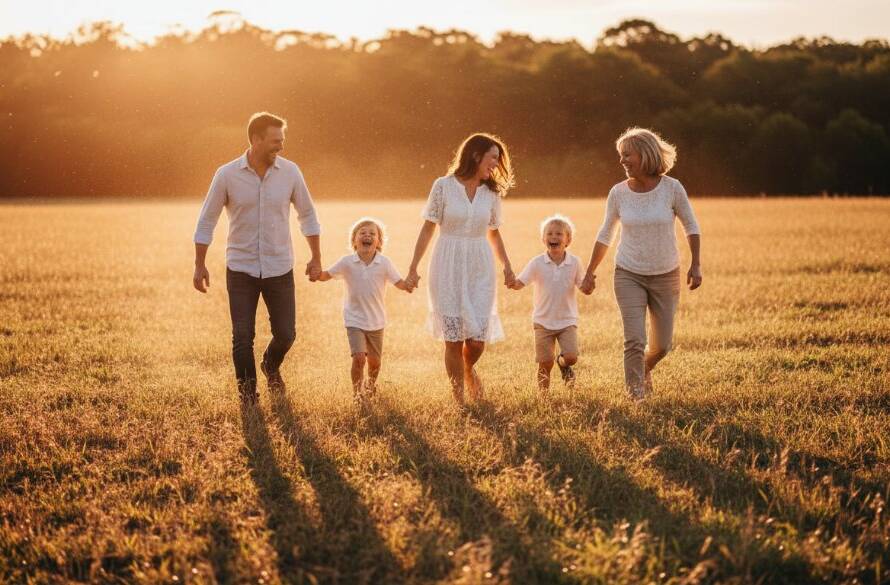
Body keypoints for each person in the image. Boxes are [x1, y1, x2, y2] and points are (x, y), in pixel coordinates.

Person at [192, 112, 322, 404]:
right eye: (276, 141)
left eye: (282, 140)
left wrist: (315, 257)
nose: (281, 146)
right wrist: (199, 264)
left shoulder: (290, 173)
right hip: (241, 268)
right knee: (242, 337)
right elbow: (206, 220)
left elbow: (308, 215)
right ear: (256, 139)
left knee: (286, 333)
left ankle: (270, 365)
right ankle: (248, 396)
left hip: (279, 267)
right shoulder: (226, 175)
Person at [580, 127, 702, 400]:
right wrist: (589, 272)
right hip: (628, 273)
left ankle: (644, 368)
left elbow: (691, 226)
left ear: (645, 154)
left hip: (666, 274)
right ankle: (636, 395)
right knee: (634, 340)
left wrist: (696, 264)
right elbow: (605, 234)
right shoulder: (618, 193)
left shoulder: (672, 188)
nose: (622, 161)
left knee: (663, 345)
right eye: (620, 155)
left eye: (627, 155)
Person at [405, 133, 515, 406]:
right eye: (492, 158)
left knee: (477, 339)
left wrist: (508, 267)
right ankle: (459, 400)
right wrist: (413, 267)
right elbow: (428, 226)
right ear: (476, 155)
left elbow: (495, 233)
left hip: (480, 264)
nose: (495, 164)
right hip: (447, 263)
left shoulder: (491, 193)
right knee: (453, 340)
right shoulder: (443, 186)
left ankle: (468, 369)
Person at [316, 218, 413, 400]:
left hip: (377, 320)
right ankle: (357, 395)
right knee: (359, 357)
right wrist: (316, 274)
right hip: (354, 319)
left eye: (372, 234)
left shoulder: (384, 263)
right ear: (354, 241)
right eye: (362, 233)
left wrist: (408, 285)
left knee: (374, 362)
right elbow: (326, 275)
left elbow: (398, 282)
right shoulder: (347, 262)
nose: (367, 236)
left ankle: (370, 385)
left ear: (378, 242)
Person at [510, 214, 589, 392]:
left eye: (559, 234)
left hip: (567, 320)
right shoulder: (537, 263)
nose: (554, 237)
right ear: (543, 239)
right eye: (550, 233)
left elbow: (583, 286)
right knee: (544, 363)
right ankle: (543, 397)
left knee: (571, 357)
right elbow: (520, 282)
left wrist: (589, 286)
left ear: (568, 240)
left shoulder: (574, 262)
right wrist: (511, 281)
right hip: (543, 321)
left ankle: (562, 364)